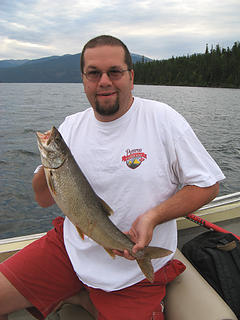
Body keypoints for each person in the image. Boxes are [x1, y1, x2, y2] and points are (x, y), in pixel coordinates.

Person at [0, 35, 225, 320]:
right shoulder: (71, 126)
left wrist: (152, 217)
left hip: (130, 270)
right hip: (70, 249)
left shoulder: (163, 119)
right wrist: (52, 166)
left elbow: (208, 185)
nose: (104, 81)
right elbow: (43, 199)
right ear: (83, 80)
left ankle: (80, 296)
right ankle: (77, 291)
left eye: (114, 72)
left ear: (131, 77)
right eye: (93, 73)